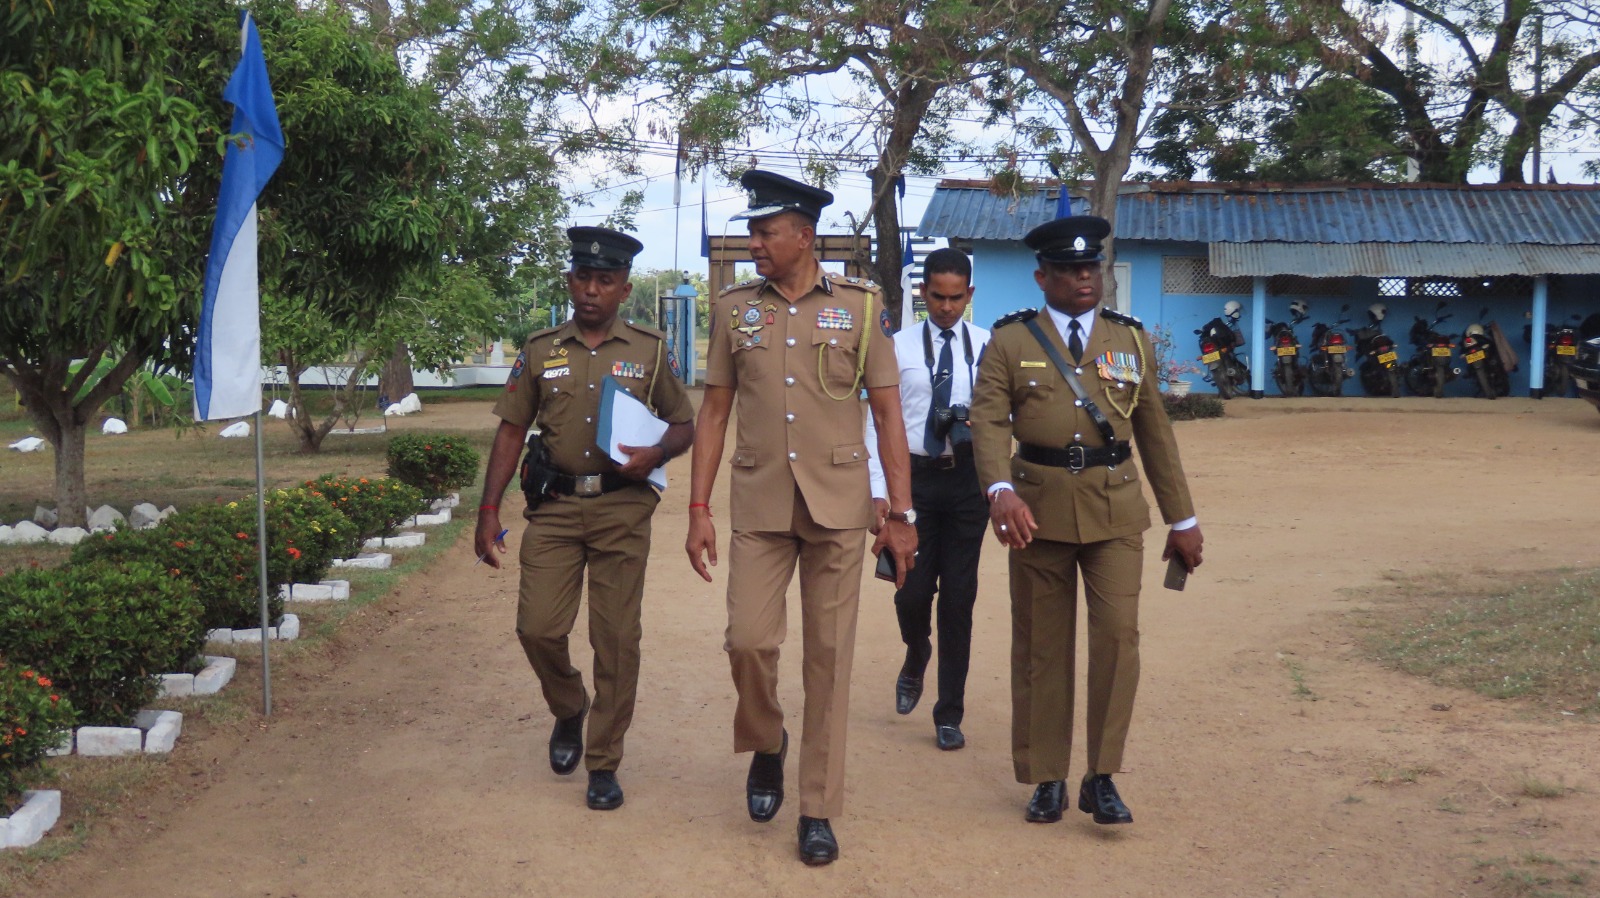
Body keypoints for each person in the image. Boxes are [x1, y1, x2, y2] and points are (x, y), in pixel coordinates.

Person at [685, 169, 918, 866]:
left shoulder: (862, 306)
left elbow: (888, 413)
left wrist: (900, 511)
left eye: (766, 232)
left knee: (829, 659)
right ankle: (767, 741)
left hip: (839, 506)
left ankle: (817, 808)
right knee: (748, 642)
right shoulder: (734, 309)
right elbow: (714, 412)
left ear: (804, 236)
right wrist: (697, 507)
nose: (754, 243)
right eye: (752, 232)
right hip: (760, 502)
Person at [968, 215, 1204, 828]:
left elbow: (1155, 432)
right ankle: (1047, 776)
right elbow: (987, 422)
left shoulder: (1129, 338)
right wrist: (999, 489)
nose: (1083, 278)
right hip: (1036, 513)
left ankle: (1102, 776)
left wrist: (1183, 518)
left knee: (1118, 640)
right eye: (1069, 269)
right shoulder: (1010, 341)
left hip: (1115, 508)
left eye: (1090, 267)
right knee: (1042, 648)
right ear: (1042, 277)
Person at [475, 226, 695, 812]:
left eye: (605, 280)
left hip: (623, 508)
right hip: (554, 507)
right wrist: (488, 509)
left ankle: (604, 761)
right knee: (538, 628)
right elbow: (512, 430)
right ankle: (570, 707)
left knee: (616, 640)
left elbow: (684, 424)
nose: (592, 289)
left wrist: (658, 452)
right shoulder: (540, 348)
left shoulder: (650, 350)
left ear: (624, 288)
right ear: (570, 281)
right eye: (583, 278)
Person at [864, 248, 991, 751]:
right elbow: (875, 423)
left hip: (967, 482)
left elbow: (1005, 417)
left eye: (956, 298)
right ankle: (917, 652)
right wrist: (879, 490)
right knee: (912, 592)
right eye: (937, 296)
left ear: (969, 294)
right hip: (912, 480)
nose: (946, 307)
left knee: (960, 599)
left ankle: (949, 713)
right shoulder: (896, 348)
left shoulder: (988, 346)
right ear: (922, 292)